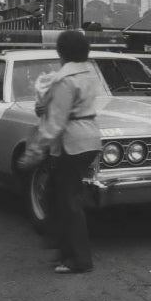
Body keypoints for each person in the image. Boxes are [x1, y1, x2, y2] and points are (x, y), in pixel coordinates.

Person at [30, 30, 102, 273]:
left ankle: (78, 260)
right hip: (90, 138)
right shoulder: (89, 73)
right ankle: (63, 251)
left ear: (61, 52)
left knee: (68, 201)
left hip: (72, 142)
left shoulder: (63, 79)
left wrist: (36, 148)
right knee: (58, 195)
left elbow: (57, 120)